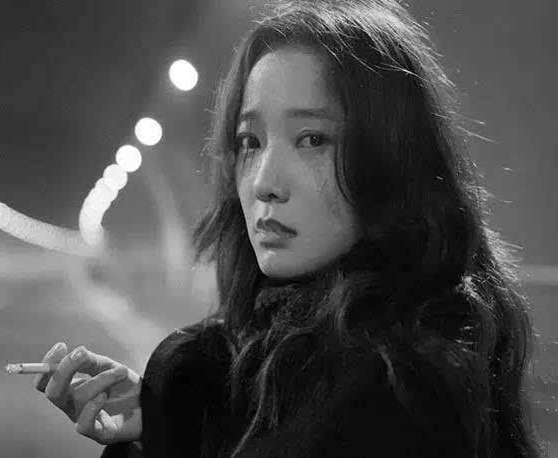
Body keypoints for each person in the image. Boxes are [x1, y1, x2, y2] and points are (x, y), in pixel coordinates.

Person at [33, 0, 547, 456]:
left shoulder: (396, 391)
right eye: (251, 142)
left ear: (391, 161)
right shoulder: (242, 365)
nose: (264, 183)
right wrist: (163, 426)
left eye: (312, 140)